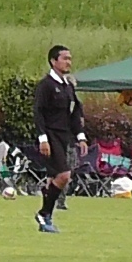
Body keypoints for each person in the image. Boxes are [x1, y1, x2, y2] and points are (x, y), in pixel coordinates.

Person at [32, 45, 87, 232]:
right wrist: (42, 138)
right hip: (51, 135)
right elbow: (38, 112)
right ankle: (44, 213)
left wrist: (81, 136)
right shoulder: (46, 85)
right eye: (65, 58)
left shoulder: (68, 86)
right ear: (53, 61)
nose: (68, 62)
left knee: (54, 178)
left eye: (70, 58)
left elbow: (75, 113)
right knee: (64, 175)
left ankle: (46, 219)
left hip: (65, 136)